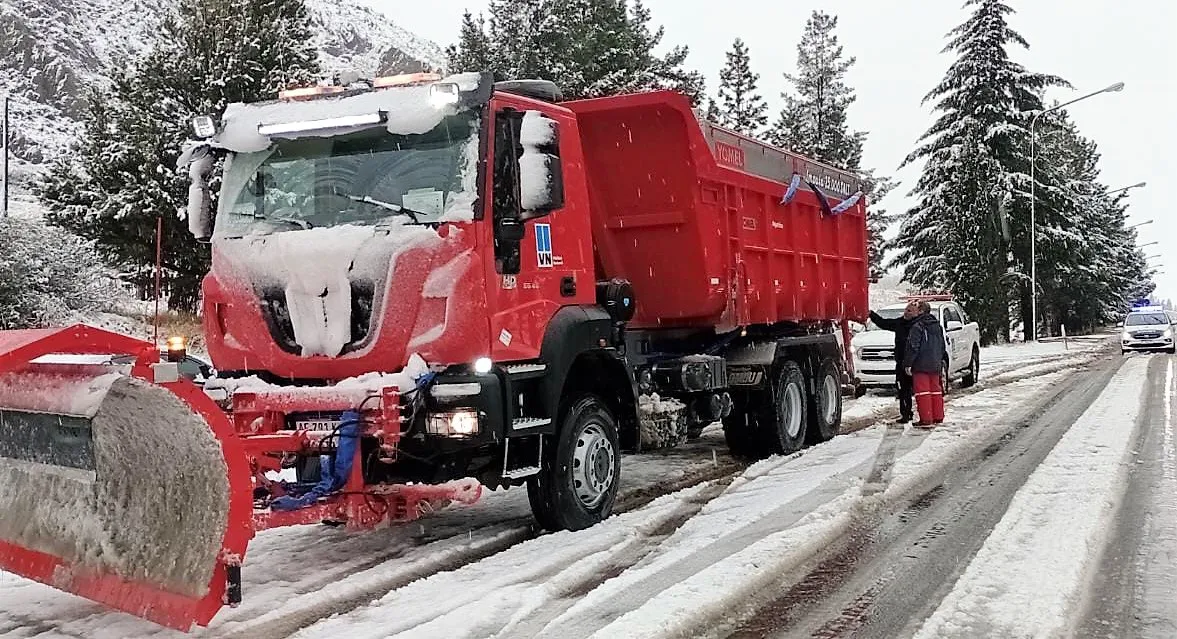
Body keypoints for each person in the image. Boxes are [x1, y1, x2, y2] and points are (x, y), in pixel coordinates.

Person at [869, 301, 919, 423]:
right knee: (902, 389)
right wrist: (871, 314)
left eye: (909, 311)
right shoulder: (900, 323)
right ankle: (906, 413)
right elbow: (884, 323)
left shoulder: (918, 325)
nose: (906, 313)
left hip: (915, 363)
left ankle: (925, 414)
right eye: (906, 310)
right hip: (901, 363)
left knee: (919, 390)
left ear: (917, 313)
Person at [904, 301, 946, 428]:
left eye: (917, 309)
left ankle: (926, 418)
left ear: (921, 311)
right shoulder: (937, 326)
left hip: (921, 364)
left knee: (923, 392)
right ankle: (938, 416)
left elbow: (913, 346)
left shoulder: (918, 326)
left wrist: (908, 363)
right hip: (935, 363)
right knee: (936, 390)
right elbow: (942, 346)